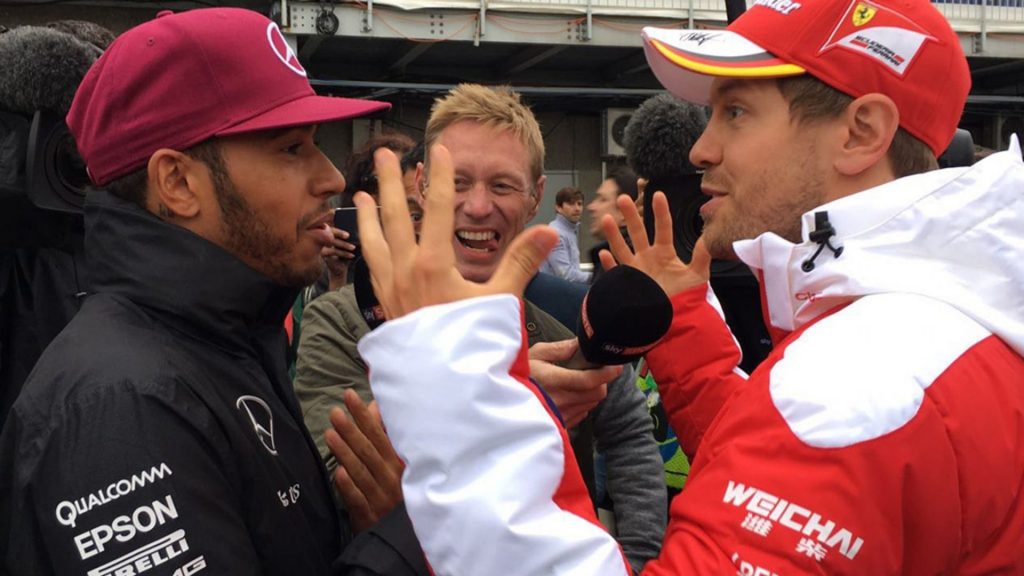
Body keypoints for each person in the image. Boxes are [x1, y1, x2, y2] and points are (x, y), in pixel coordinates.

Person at [342, 0, 1024, 573]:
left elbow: (836, 431)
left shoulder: (861, 375)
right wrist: (687, 333)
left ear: (861, 133)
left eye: (736, 113)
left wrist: (454, 383)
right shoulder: (950, 326)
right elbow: (799, 472)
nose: (702, 150)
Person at [0, 8, 426, 575]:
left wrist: (367, 527)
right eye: (291, 148)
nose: (331, 178)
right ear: (177, 183)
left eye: (316, 143)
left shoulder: (226, 340)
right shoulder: (122, 407)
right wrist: (406, 535)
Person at [299, 84, 667, 572]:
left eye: (501, 186)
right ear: (423, 186)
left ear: (536, 195)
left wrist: (640, 561)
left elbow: (629, 435)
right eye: (458, 182)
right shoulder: (341, 320)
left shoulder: (568, 317)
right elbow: (346, 479)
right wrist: (507, 398)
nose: (476, 206)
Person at [586, 168, 638, 284]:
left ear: (625, 213)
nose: (591, 207)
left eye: (602, 199)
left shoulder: (625, 270)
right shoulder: (607, 257)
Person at [540, 186, 590, 283]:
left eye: (579, 204)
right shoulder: (555, 234)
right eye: (571, 204)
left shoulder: (569, 231)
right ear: (558, 207)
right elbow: (566, 275)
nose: (577, 208)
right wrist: (597, 277)